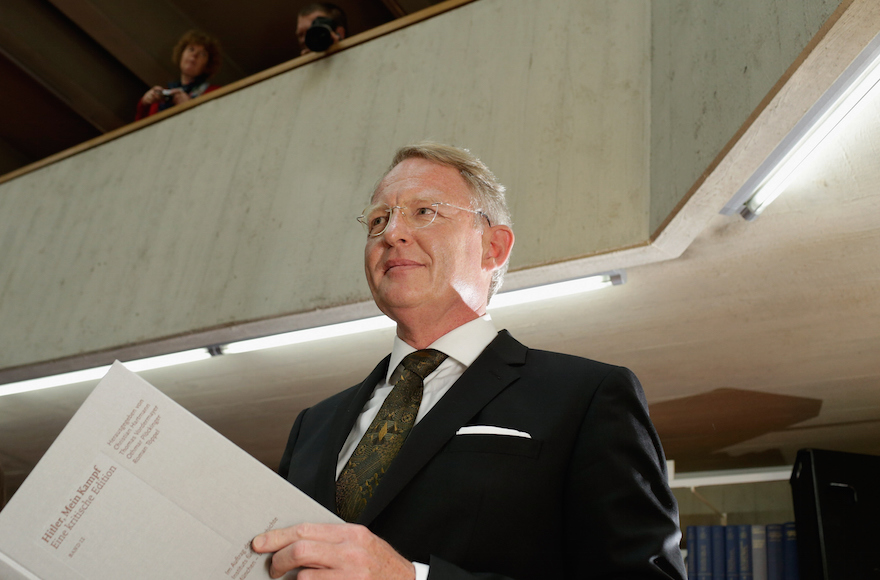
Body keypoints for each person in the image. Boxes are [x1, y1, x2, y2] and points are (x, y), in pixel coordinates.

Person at [252, 142, 687, 580]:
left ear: (493, 248)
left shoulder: (588, 396)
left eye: (424, 212)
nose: (391, 233)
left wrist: (413, 579)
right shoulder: (313, 425)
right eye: (379, 219)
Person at [135, 30, 222, 120]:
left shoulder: (214, 92)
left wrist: (190, 107)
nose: (194, 55)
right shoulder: (160, 98)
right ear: (181, 54)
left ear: (208, 64)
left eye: (202, 54)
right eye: (191, 49)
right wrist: (145, 103)